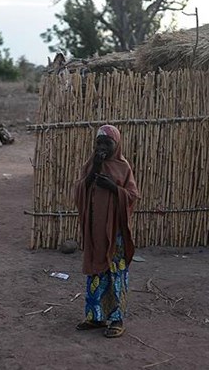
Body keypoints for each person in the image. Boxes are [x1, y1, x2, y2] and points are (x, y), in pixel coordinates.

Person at [72, 124, 140, 338]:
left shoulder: (123, 166)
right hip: (96, 230)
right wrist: (95, 169)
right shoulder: (92, 163)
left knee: (116, 272)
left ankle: (117, 319)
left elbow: (132, 196)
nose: (102, 147)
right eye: (98, 143)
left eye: (107, 143)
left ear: (116, 144)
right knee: (96, 272)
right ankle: (96, 316)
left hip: (115, 232)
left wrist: (114, 188)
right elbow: (80, 189)